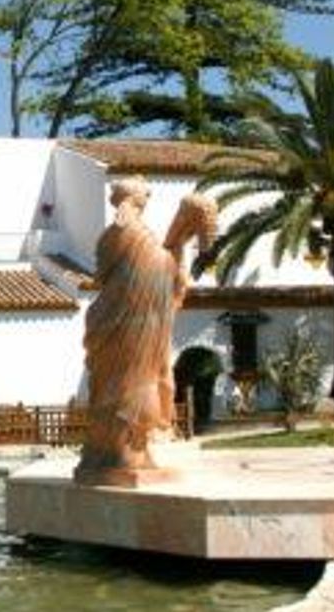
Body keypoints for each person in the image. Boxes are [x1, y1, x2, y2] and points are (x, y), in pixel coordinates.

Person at [76, 178, 216, 482]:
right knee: (129, 384)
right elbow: (154, 271)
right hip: (123, 327)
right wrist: (178, 244)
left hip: (126, 324)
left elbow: (120, 274)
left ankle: (131, 448)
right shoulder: (129, 235)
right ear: (136, 200)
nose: (148, 196)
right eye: (144, 195)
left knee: (133, 383)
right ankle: (120, 452)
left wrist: (176, 242)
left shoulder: (122, 236)